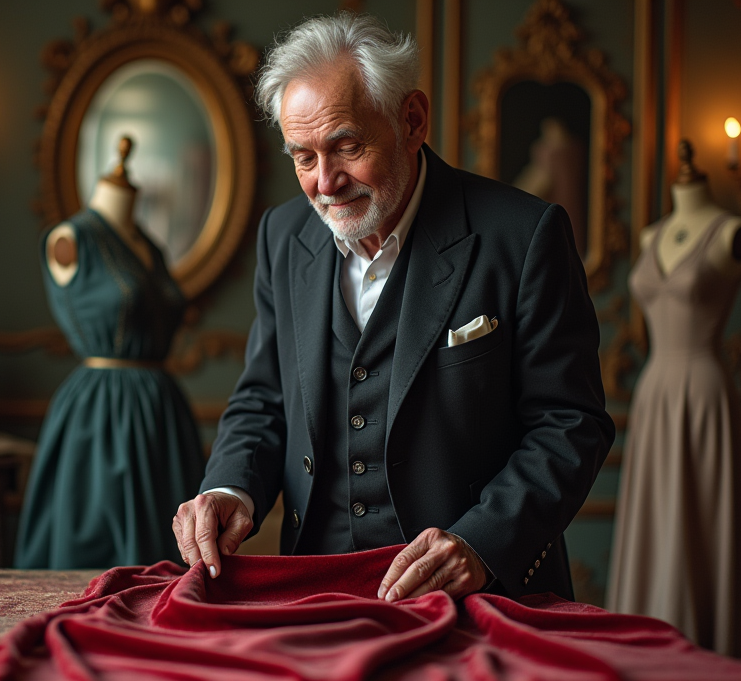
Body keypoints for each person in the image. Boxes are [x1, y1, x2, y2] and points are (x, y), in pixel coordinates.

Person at [172, 13, 614, 601]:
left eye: (347, 146)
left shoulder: (524, 234)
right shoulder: (282, 236)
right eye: (303, 157)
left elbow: (570, 424)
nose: (325, 182)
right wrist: (229, 490)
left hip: (479, 598)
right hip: (316, 593)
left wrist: (482, 544)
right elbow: (264, 399)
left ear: (412, 119)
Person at [15, 138, 205, 569]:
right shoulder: (71, 239)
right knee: (100, 554)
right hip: (103, 412)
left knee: (171, 555)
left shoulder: (149, 247)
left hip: (164, 412)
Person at [607, 141, 741, 659]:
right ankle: (651, 647)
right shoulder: (653, 235)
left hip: (704, 389)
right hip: (655, 390)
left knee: (702, 525)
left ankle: (708, 652)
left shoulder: (734, 232)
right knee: (655, 521)